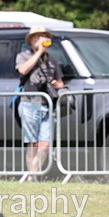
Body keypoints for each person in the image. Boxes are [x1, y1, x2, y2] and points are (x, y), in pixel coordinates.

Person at [15, 26, 65, 179]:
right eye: (38, 37)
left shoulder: (52, 60)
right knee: (32, 143)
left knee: (45, 144)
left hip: (46, 104)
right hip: (30, 103)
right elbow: (23, 70)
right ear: (31, 40)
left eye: (44, 36)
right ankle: (32, 177)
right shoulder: (24, 56)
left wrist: (56, 84)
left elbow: (61, 83)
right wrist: (38, 53)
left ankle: (32, 174)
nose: (42, 39)